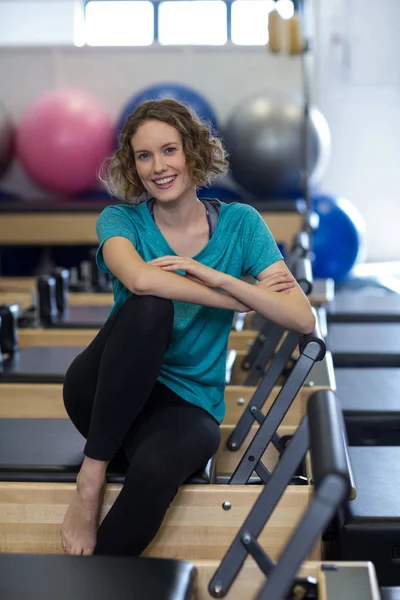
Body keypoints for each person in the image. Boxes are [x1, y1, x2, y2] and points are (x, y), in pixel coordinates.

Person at [60, 98, 315, 556]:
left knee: (156, 469)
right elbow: (139, 279)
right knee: (149, 306)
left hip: (188, 403)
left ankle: (95, 579)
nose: (158, 167)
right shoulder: (120, 220)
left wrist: (216, 275)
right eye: (144, 156)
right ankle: (90, 477)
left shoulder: (240, 225)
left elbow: (301, 317)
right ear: (132, 164)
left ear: (193, 152)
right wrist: (239, 296)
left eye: (169, 150)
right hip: (101, 392)